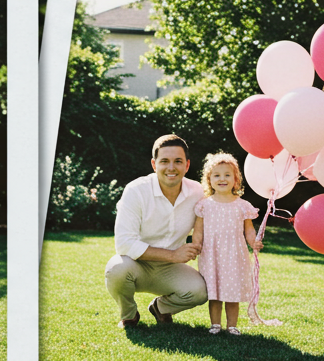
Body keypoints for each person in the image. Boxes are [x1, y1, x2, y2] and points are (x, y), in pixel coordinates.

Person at [106, 133, 208, 327]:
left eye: (178, 161)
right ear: (154, 165)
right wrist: (173, 255)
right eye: (164, 161)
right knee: (116, 269)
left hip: (171, 269)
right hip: (135, 264)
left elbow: (213, 221)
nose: (171, 167)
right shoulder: (136, 190)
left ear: (187, 165)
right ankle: (129, 315)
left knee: (200, 292)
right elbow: (124, 244)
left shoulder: (197, 192)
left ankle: (160, 308)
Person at [192, 152, 263, 335]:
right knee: (214, 291)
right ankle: (215, 324)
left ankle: (232, 325)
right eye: (216, 175)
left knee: (233, 291)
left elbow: (248, 229)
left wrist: (253, 242)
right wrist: (196, 245)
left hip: (234, 255)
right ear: (209, 179)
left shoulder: (242, 205)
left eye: (227, 175)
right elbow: (198, 230)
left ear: (235, 179)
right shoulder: (204, 205)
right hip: (211, 254)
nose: (222, 179)